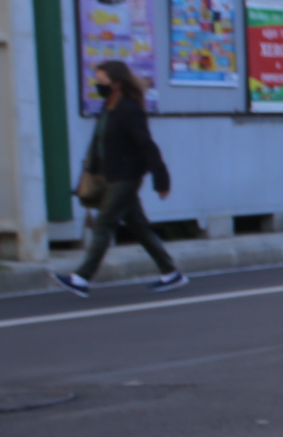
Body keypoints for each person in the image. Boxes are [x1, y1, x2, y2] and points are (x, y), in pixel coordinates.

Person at [55, 59, 186, 297]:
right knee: (139, 226)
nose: (98, 85)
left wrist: (161, 179)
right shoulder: (109, 107)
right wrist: (91, 171)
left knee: (104, 223)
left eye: (101, 80)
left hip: (126, 176)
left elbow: (147, 145)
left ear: (116, 82)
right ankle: (170, 272)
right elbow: (99, 142)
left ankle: (81, 278)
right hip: (109, 174)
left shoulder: (129, 109)